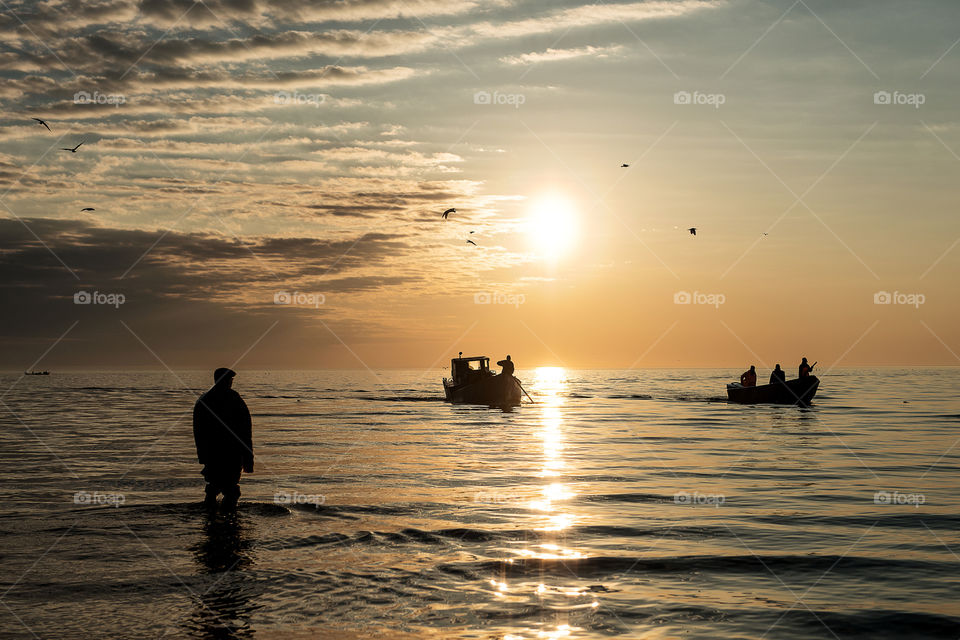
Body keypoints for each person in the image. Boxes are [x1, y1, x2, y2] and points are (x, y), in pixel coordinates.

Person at [193, 368, 253, 509]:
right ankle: (229, 517)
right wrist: (248, 456)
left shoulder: (204, 400)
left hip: (212, 453)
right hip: (230, 453)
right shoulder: (233, 399)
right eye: (229, 380)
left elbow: (198, 431)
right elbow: (245, 430)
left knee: (214, 487)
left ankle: (212, 517)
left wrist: (202, 454)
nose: (231, 383)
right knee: (231, 490)